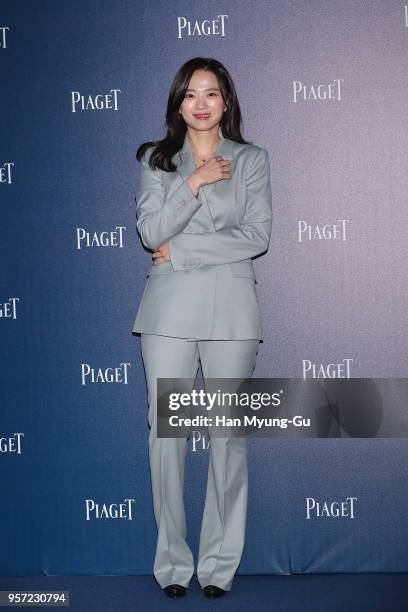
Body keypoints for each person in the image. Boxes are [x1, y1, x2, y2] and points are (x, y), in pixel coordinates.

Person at [132, 57, 272, 599]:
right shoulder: (157, 159)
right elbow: (151, 232)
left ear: (226, 101)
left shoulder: (252, 160)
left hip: (232, 310)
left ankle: (218, 566)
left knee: (227, 439)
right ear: (178, 102)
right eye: (191, 93)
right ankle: (171, 563)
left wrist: (185, 251)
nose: (202, 102)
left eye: (212, 93)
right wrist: (192, 180)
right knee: (165, 438)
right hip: (168, 311)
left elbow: (256, 235)